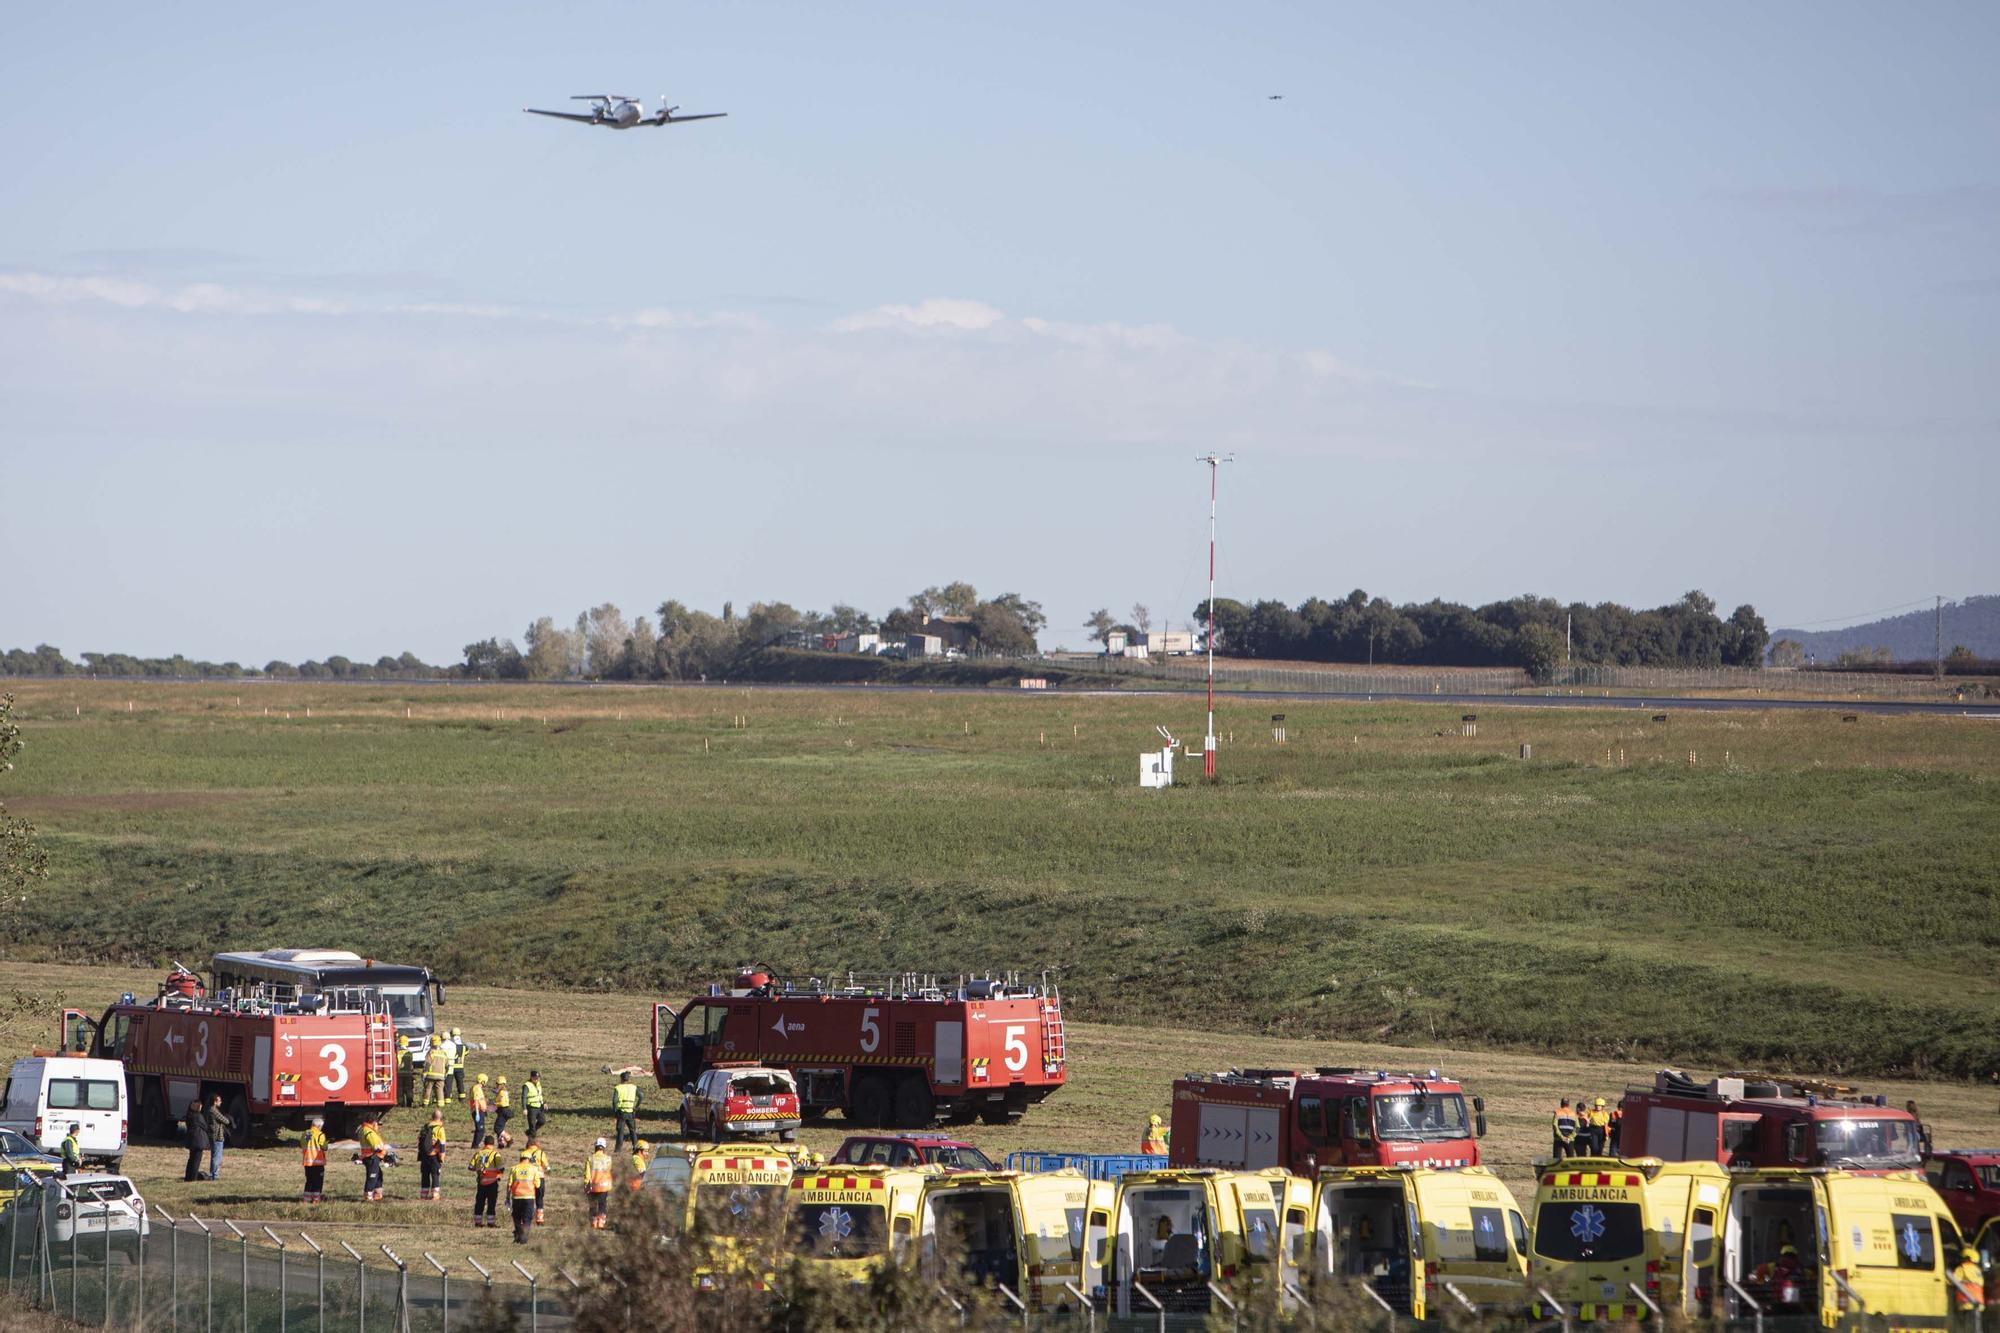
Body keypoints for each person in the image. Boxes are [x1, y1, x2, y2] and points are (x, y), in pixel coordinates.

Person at [505, 1148, 544, 1243]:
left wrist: (507, 1198)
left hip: (516, 1197)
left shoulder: (514, 1168)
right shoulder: (534, 1169)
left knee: (517, 1217)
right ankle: (524, 1238)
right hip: (529, 1197)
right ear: (529, 1159)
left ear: (520, 1158)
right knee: (527, 1218)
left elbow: (509, 1184)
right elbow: (538, 1185)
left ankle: (518, 1235)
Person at [469, 1134, 505, 1228]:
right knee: (491, 1203)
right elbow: (501, 1168)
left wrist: (479, 1169)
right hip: (492, 1183)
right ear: (493, 1144)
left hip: (481, 1182)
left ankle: (477, 1222)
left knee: (479, 1202)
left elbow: (471, 1167)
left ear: (484, 1143)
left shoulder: (478, 1154)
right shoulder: (495, 1154)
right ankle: (491, 1223)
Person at [584, 1138, 615, 1230]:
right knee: (602, 1204)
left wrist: (586, 1184)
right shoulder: (608, 1159)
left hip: (593, 1186)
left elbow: (587, 1173)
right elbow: (610, 1172)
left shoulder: (590, 1158)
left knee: (593, 1204)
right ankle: (601, 1224)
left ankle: (593, 1223)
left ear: (596, 1147)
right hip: (604, 1186)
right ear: (604, 1148)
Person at [418, 1110, 448, 1201]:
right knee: (435, 1174)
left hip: (424, 1155)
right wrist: (442, 1156)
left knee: (425, 1175)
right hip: (434, 1154)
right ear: (441, 1118)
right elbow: (442, 1143)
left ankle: (423, 1194)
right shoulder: (440, 1128)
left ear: (432, 1117)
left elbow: (420, 1140)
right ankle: (435, 1194)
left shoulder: (426, 1126)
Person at [357, 1116, 388, 1202]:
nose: (377, 1126)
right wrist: (384, 1152)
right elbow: (376, 1146)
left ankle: (377, 1194)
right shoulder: (369, 1132)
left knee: (378, 1174)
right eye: (377, 1124)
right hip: (372, 1156)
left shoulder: (364, 1129)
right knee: (372, 1176)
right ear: (373, 1122)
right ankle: (368, 1196)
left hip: (369, 1156)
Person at [523, 1135, 551, 1223]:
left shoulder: (524, 1153)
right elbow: (547, 1166)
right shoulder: (541, 1153)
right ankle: (539, 1219)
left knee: (528, 1199)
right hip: (539, 1178)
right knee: (539, 1198)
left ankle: (526, 1218)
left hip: (528, 1179)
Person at [301, 1117, 328, 1203]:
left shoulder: (307, 1133)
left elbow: (304, 1144)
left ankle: (306, 1199)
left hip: (307, 1162)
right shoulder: (320, 1135)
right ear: (319, 1126)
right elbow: (324, 1147)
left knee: (309, 1181)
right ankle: (316, 1199)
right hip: (318, 1162)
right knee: (318, 1181)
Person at [613, 1071, 641, 1151]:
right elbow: (641, 1096)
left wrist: (615, 1111)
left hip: (621, 1112)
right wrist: (636, 1106)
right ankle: (635, 1147)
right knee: (633, 1131)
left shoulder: (618, 1087)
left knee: (620, 1132)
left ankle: (618, 1149)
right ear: (628, 1079)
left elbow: (614, 1101)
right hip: (631, 1112)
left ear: (621, 1079)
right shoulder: (633, 1087)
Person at [205, 1095, 232, 1180]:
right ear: (214, 1102)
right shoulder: (214, 1111)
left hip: (212, 1136)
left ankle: (212, 1174)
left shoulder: (209, 1110)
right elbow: (226, 1121)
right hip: (217, 1137)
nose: (221, 1102)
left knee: (214, 1156)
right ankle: (214, 1175)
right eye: (219, 1100)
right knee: (217, 1157)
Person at [184, 1103, 212, 1182]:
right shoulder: (198, 1116)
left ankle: (188, 1176)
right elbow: (205, 1126)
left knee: (191, 1159)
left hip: (191, 1141)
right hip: (198, 1141)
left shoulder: (189, 1115)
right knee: (196, 1161)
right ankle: (193, 1177)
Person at [1952, 1248, 1986, 1313]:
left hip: (1966, 1303)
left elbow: (1951, 1280)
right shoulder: (1978, 1270)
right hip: (1978, 1303)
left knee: (1965, 1322)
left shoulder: (1962, 1268)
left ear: (1967, 1258)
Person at [423, 1040, 451, 1107]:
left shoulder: (430, 1052)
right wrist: (445, 1073)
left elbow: (427, 1064)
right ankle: (441, 1104)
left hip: (431, 1075)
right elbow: (447, 1065)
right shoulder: (443, 1053)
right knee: (440, 1090)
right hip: (441, 1076)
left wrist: (424, 1073)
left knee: (428, 1089)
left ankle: (425, 1103)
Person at [522, 1070, 547, 1138]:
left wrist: (544, 1103)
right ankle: (532, 1141)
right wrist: (524, 1108)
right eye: (535, 1078)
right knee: (532, 1125)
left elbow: (540, 1095)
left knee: (542, 1121)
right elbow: (524, 1097)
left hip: (539, 1107)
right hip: (531, 1108)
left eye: (538, 1078)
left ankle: (529, 1132)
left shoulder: (538, 1084)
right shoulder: (527, 1085)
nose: (537, 1079)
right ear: (531, 1077)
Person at [469, 1074, 490, 1145]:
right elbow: (476, 1100)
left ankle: (475, 1144)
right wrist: (477, 1113)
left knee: (480, 1129)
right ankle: (475, 1145)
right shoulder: (476, 1088)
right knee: (480, 1129)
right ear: (483, 1081)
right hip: (477, 1111)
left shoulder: (478, 1088)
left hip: (481, 1111)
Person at [493, 1075, 513, 1146]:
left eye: (499, 1084)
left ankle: (509, 1139)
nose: (497, 1085)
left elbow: (502, 1103)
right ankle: (501, 1143)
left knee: (497, 1128)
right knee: (500, 1128)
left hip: (503, 1111)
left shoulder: (502, 1092)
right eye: (497, 1083)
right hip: (503, 1110)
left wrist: (494, 1103)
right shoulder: (502, 1091)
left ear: (503, 1084)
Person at [450, 1028, 470, 1101]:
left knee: (449, 1083)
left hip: (451, 1067)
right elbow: (466, 1053)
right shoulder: (464, 1047)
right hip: (460, 1067)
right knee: (460, 1083)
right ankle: (462, 1097)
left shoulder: (451, 1045)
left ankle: (449, 1096)